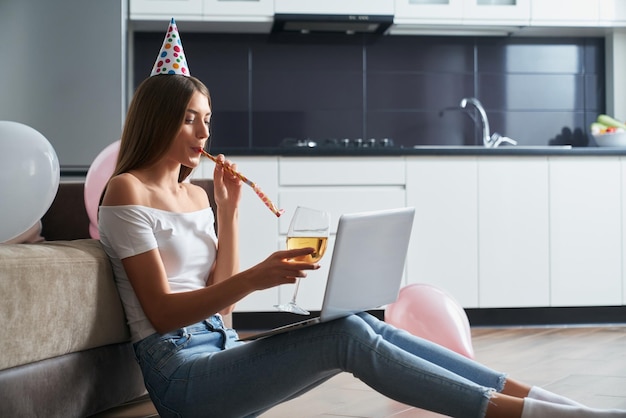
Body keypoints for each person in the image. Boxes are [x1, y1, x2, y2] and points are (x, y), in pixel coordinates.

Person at [98, 20, 626, 418]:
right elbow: (164, 315)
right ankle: (532, 415)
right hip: (180, 380)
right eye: (189, 118)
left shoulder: (195, 195)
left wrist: (230, 214)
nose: (203, 133)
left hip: (220, 349)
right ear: (157, 118)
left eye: (207, 119)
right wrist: (261, 273)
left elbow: (226, 303)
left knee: (357, 323)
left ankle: (542, 400)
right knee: (344, 338)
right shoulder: (126, 190)